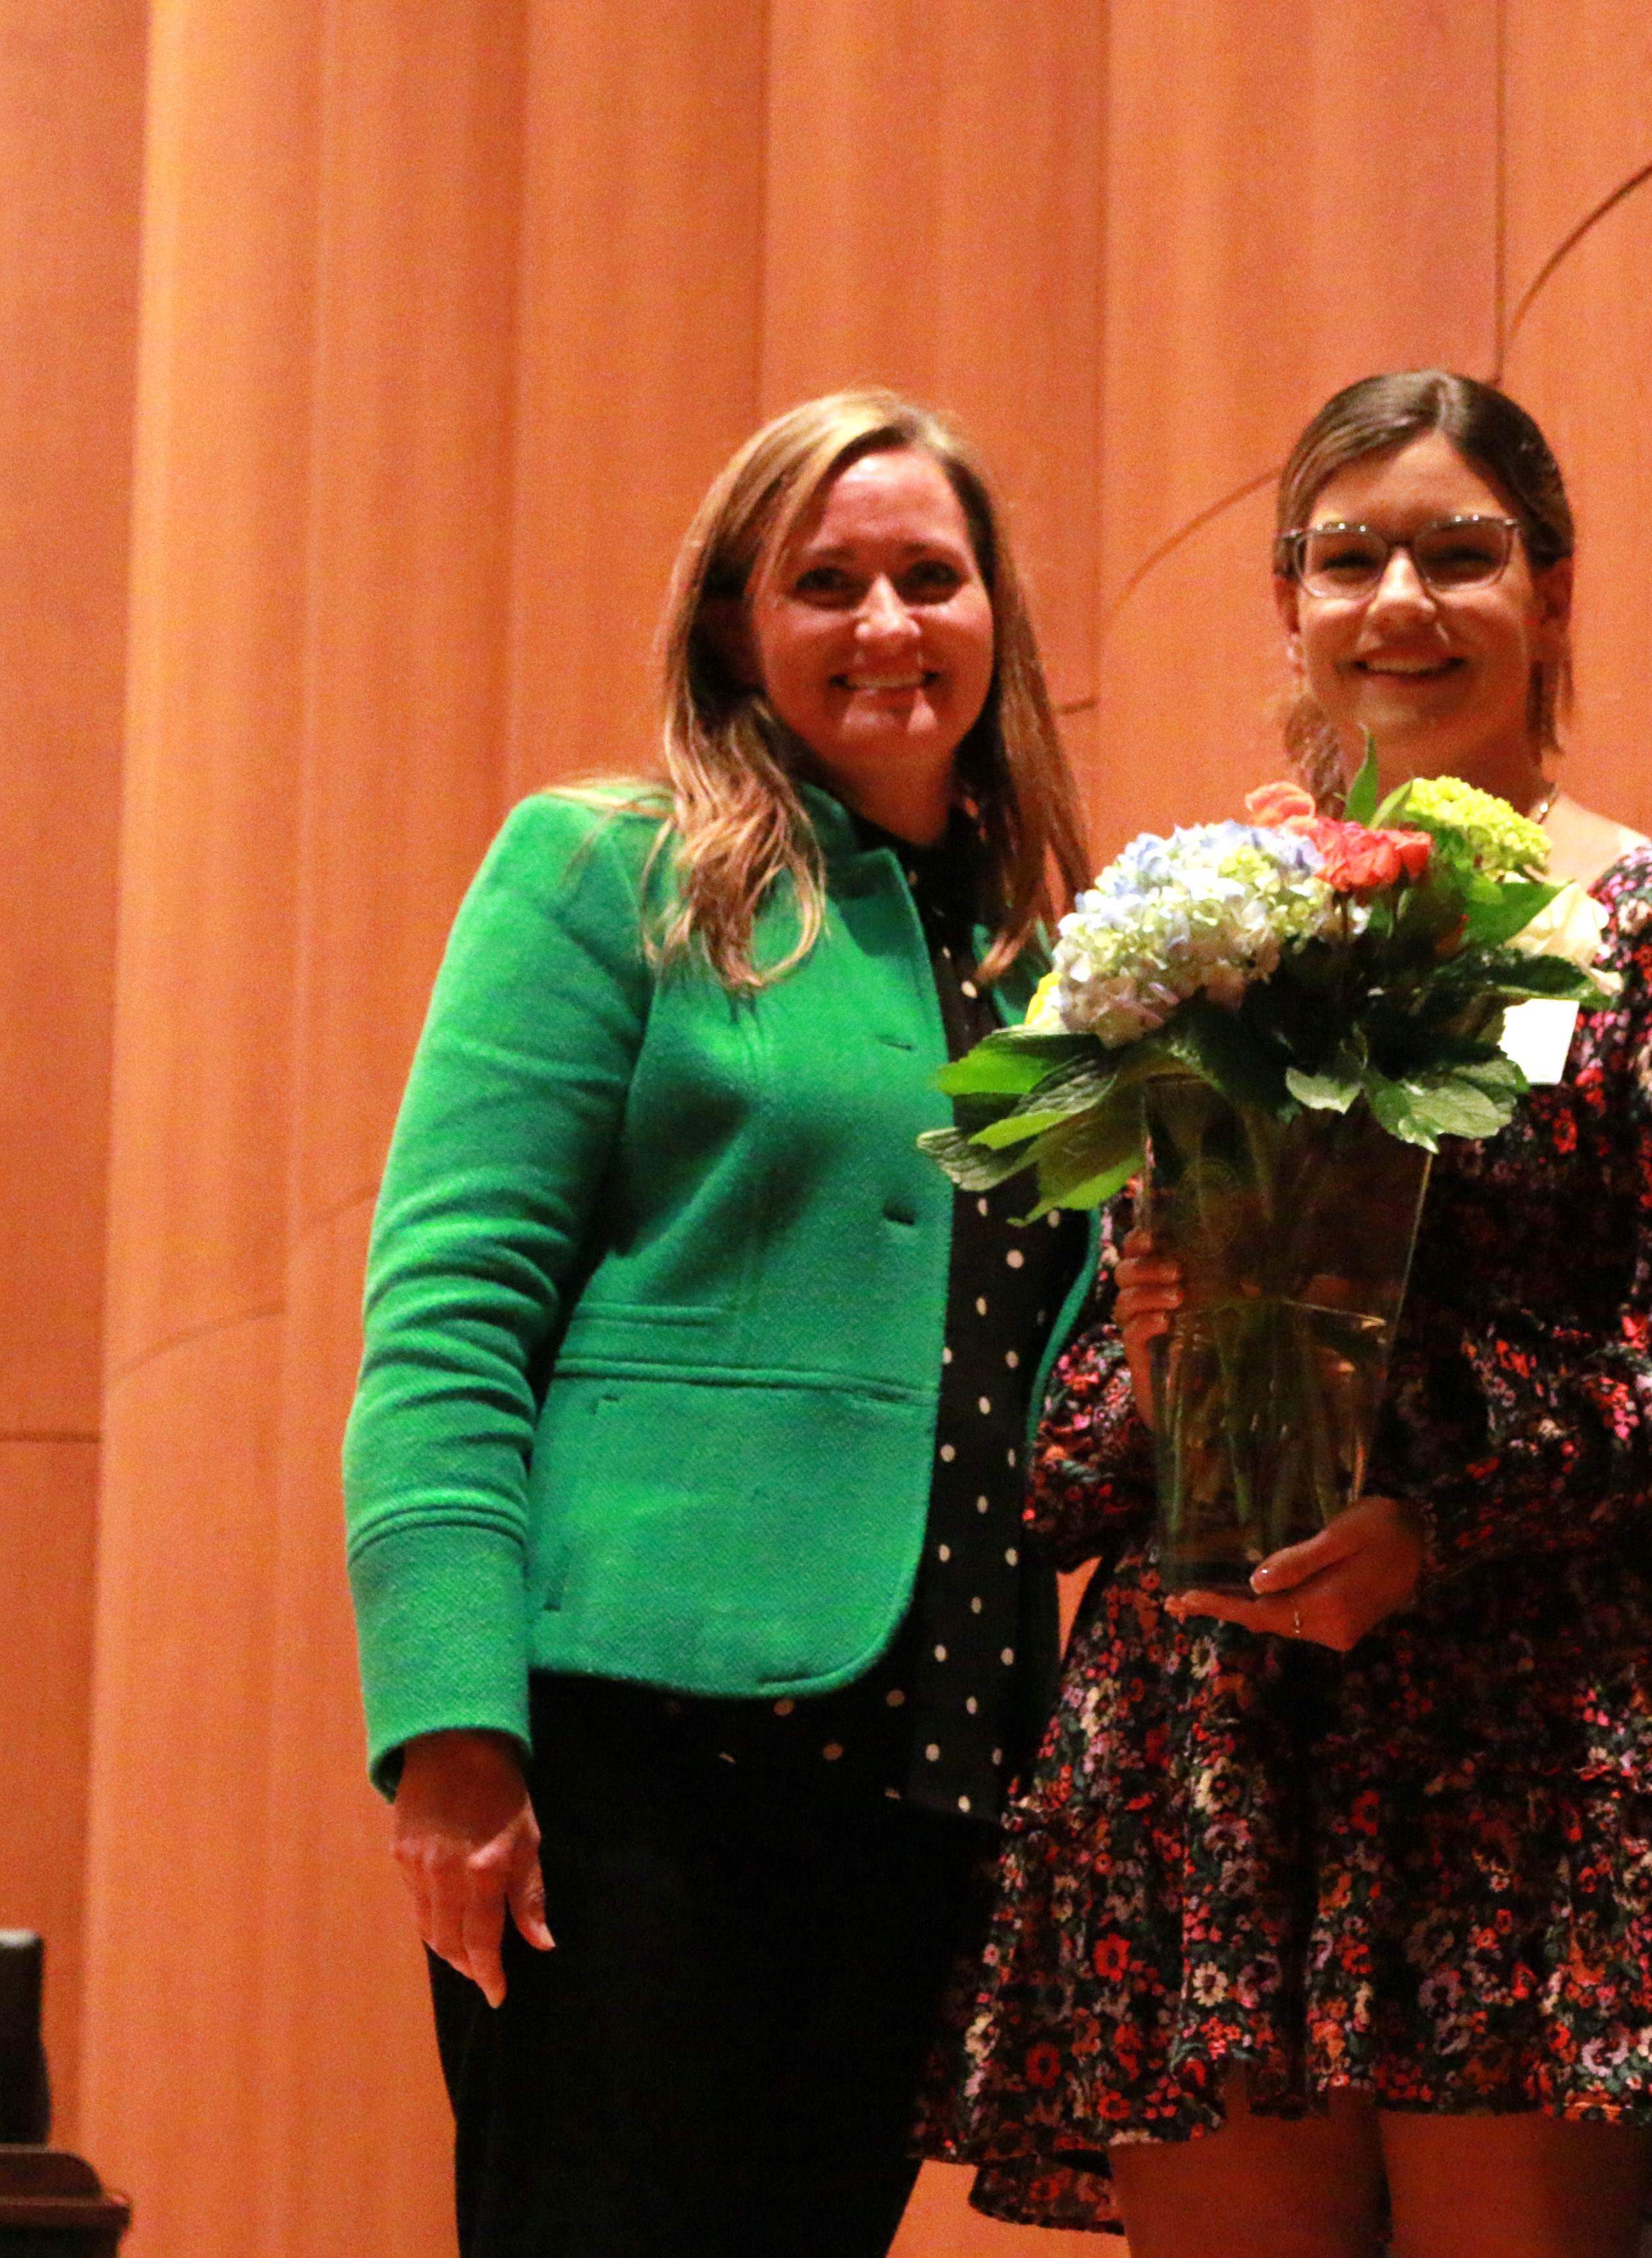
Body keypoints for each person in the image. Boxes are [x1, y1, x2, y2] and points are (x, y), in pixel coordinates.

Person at [928, 371, 1652, 2258]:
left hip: (1532, 1728)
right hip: (1212, 1738)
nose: (1398, 600)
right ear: (1289, 604)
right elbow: (1061, 1438)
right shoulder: (1198, 928)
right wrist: (1172, 1356)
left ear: (1556, 594)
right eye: (1349, 557)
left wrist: (1438, 1519)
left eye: (1459, 552)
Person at [343, 388, 1097, 2258]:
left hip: (932, 1772)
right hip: (637, 1759)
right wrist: (451, 1727)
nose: (887, 625)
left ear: (997, 615)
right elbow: (448, 1310)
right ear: (735, 631)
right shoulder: (611, 871)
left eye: (932, 576)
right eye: (824, 582)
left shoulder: (1055, 963)